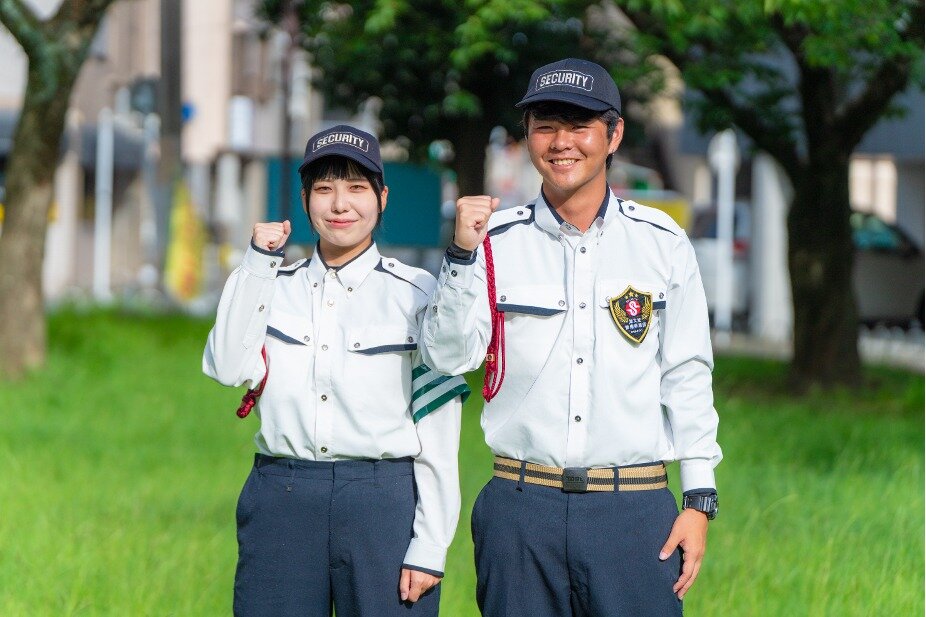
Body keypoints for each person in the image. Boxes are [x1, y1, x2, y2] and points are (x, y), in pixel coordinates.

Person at [421, 58, 722, 616]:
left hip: (634, 512)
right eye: (545, 126)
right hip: (520, 509)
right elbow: (447, 356)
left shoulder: (662, 242)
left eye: (579, 125)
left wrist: (699, 498)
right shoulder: (494, 243)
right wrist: (461, 256)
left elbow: (686, 373)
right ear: (528, 136)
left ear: (614, 135)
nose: (562, 142)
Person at [204, 125, 468, 617]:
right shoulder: (270, 282)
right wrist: (258, 263)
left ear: (382, 197)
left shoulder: (417, 292)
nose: (340, 204)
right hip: (281, 495)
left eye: (356, 189)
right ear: (305, 199)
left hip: (382, 501)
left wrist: (431, 545)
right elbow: (225, 366)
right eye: (324, 189)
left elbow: (438, 424)